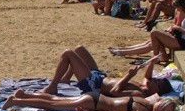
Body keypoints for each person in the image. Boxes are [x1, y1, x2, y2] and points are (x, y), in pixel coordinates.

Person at [41, 45, 173, 98]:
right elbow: (147, 76)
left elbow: (114, 92)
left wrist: (129, 75)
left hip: (94, 85)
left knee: (68, 54)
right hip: (99, 76)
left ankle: (53, 87)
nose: (153, 79)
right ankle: (65, 78)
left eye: (157, 81)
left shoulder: (141, 93)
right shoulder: (146, 86)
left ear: (157, 90)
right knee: (79, 49)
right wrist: (152, 62)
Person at [1, 88, 179, 111]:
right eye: (164, 106)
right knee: (54, 106)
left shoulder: (144, 100)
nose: (161, 109)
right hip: (94, 104)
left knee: (55, 101)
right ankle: (17, 100)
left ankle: (24, 94)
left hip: (95, 97)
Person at [109, 0, 185, 61]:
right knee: (150, 41)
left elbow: (181, 29)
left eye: (178, 7)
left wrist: (178, 28)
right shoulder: (181, 12)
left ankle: (155, 57)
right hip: (178, 37)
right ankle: (122, 50)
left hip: (182, 41)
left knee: (154, 34)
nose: (177, 9)